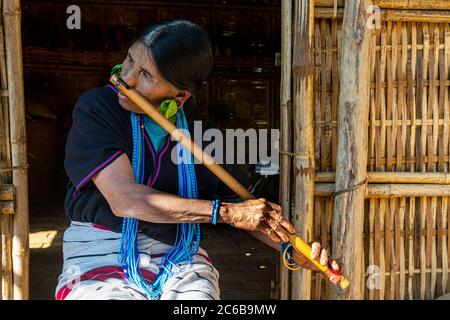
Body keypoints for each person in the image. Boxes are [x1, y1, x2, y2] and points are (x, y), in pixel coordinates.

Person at [56, 19, 341, 300]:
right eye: (129, 60)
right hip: (100, 248)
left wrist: (291, 249)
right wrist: (225, 212)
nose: (126, 78)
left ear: (179, 95)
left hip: (179, 255)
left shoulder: (201, 135)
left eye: (145, 75)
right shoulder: (98, 108)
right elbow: (125, 199)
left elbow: (248, 209)